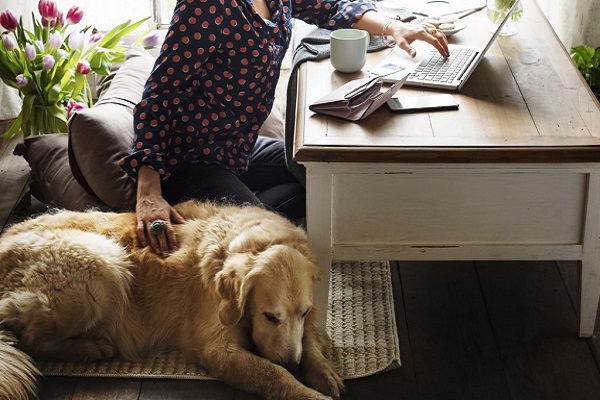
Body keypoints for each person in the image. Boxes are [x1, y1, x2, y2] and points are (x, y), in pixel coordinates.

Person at [120, 0, 449, 257]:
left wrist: (395, 28)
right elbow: (160, 94)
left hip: (238, 150)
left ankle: (232, 209)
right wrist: (148, 190)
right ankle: (218, 213)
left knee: (332, 179)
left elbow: (330, 6)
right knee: (267, 242)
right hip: (191, 159)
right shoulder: (207, 7)